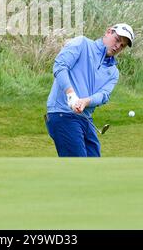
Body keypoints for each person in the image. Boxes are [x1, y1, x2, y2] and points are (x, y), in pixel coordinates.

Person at [45, 23, 134, 157]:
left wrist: (86, 101)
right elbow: (60, 66)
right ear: (108, 32)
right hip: (63, 113)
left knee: (94, 168)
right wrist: (71, 94)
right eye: (117, 40)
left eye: (122, 46)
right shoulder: (82, 44)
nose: (117, 47)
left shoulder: (113, 72)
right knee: (79, 170)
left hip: (86, 119)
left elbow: (104, 95)